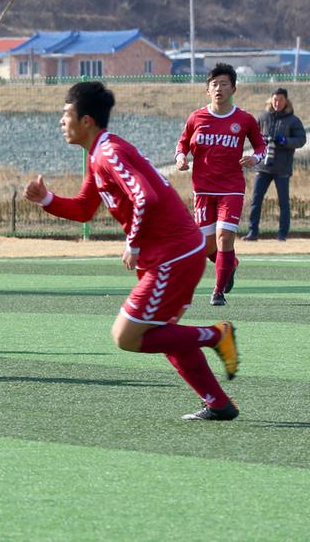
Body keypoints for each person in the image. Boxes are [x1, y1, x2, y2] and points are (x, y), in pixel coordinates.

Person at [25, 81, 240, 420]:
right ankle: (218, 403)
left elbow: (146, 198)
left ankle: (216, 335)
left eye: (66, 114)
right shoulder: (99, 155)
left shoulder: (108, 153)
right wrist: (47, 200)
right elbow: (84, 209)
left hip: (173, 254)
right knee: (163, 333)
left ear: (86, 121)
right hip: (178, 252)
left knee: (126, 336)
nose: (60, 121)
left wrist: (134, 242)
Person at [174, 63, 266, 306]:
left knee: (225, 237)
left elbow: (261, 146)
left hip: (231, 188)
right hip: (202, 189)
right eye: (214, 84)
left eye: (224, 84)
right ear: (207, 90)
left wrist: (255, 158)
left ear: (233, 88)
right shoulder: (196, 117)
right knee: (205, 246)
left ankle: (217, 292)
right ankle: (230, 264)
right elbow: (182, 144)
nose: (219, 89)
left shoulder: (244, 119)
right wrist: (181, 157)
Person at [243, 87, 306, 242]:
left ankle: (282, 234)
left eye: (281, 100)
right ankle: (253, 232)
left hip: (282, 168)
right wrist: (260, 140)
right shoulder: (263, 117)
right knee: (256, 200)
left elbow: (301, 140)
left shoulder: (293, 120)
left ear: (286, 101)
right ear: (271, 100)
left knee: (283, 202)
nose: (277, 103)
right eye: (275, 99)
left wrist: (285, 141)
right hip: (263, 167)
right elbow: (252, 135)